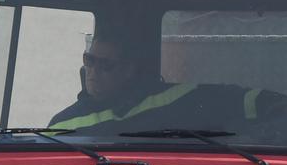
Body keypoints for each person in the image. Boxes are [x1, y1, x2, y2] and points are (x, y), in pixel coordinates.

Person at [49, 31, 185, 129]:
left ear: (128, 70)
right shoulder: (60, 124)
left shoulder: (163, 103)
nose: (94, 71)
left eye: (105, 64)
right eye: (89, 60)